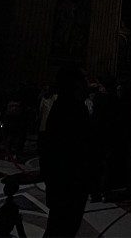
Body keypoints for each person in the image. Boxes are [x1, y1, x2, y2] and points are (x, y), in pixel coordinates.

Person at [40, 66, 92, 237]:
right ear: (75, 85)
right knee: (62, 228)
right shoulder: (72, 110)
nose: (88, 84)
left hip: (62, 183)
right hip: (69, 183)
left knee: (59, 226)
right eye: (84, 80)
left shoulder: (63, 106)